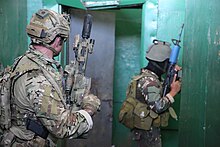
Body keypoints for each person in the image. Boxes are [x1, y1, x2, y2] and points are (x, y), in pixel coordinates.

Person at [0, 9, 100, 147]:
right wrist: (89, 109)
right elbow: (63, 128)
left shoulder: (24, 61)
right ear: (58, 40)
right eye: (63, 39)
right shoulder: (37, 79)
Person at [119, 39, 181, 147]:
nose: (169, 66)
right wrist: (173, 93)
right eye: (168, 64)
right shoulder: (150, 82)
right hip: (147, 132)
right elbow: (158, 106)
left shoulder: (149, 77)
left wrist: (175, 76)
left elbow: (160, 89)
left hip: (145, 129)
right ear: (162, 63)